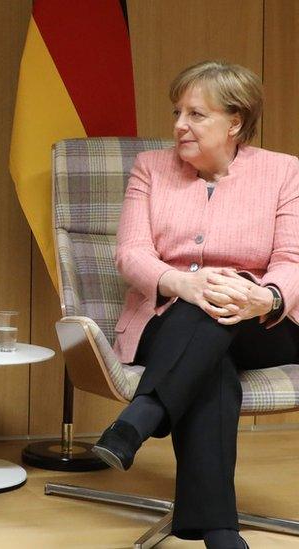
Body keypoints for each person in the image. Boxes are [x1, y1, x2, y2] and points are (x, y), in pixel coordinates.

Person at [93, 60, 299, 549]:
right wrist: (184, 283)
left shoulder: (282, 171)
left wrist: (264, 297)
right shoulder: (151, 169)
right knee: (210, 353)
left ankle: (142, 416)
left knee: (219, 303)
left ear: (235, 122)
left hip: (264, 324)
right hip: (170, 318)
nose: (179, 125)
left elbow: (293, 259)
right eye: (177, 112)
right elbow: (131, 253)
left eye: (196, 114)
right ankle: (219, 531)